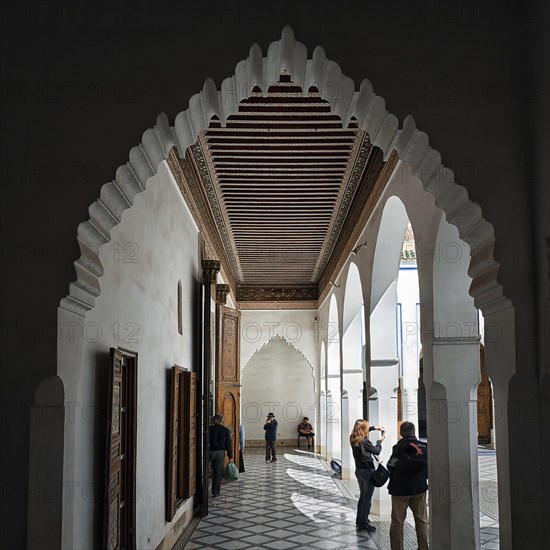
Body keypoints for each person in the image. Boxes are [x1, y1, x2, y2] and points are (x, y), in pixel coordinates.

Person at [387, 421, 429, 550]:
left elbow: (391, 466)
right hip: (419, 488)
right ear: (414, 431)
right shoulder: (424, 446)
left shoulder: (398, 447)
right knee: (421, 520)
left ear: (401, 433)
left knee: (397, 522)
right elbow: (428, 467)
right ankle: (423, 547)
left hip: (400, 490)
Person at [349, 419, 386, 533]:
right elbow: (376, 451)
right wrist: (380, 441)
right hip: (368, 472)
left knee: (363, 496)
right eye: (367, 427)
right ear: (363, 430)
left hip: (359, 471)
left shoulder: (353, 438)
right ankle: (364, 524)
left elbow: (362, 430)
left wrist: (375, 427)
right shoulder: (365, 441)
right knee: (367, 499)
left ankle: (359, 520)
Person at [209, 414, 233, 497]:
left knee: (204, 471)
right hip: (220, 453)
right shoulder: (225, 430)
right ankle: (216, 492)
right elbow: (228, 445)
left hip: (209, 452)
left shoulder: (210, 429)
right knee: (218, 473)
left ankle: (202, 491)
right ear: (222, 421)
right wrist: (230, 457)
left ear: (214, 421)